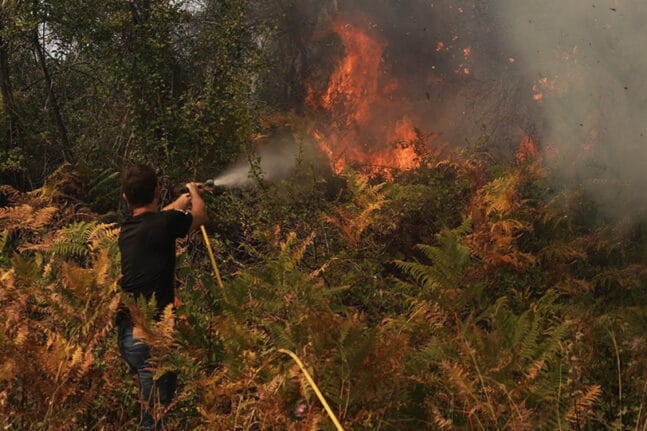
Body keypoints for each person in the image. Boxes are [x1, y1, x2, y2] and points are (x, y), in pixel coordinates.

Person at [116, 164, 207, 430]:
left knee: (153, 408)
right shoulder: (165, 223)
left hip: (128, 334)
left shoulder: (128, 228)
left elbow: (160, 217)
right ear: (157, 190)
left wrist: (182, 200)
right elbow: (199, 217)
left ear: (125, 197)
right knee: (154, 418)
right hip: (150, 333)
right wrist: (193, 193)